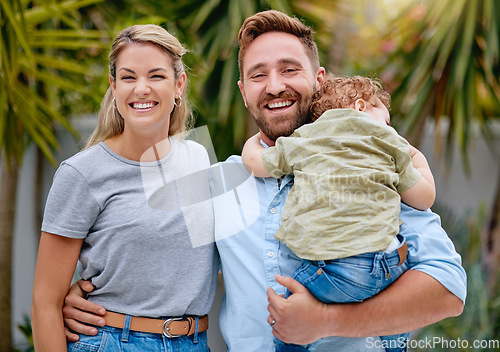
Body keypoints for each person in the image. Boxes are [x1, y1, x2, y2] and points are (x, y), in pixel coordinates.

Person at [61, 10, 466, 352]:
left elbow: (448, 291)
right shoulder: (218, 180)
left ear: (320, 79)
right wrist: (85, 300)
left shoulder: (366, 161)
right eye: (258, 75)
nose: (275, 86)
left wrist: (327, 320)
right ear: (243, 92)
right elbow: (148, 245)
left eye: (290, 69)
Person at [31, 24, 218, 352]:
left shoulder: (199, 157)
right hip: (114, 341)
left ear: (179, 85)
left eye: (156, 76)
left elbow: (200, 262)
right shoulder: (82, 173)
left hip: (194, 342)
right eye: (129, 77)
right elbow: (44, 302)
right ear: (114, 86)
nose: (141, 89)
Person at [241, 73, 436, 351]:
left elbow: (253, 162)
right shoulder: (388, 144)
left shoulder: (305, 139)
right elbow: (425, 197)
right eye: (387, 121)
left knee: (288, 314)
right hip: (386, 266)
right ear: (360, 107)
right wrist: (415, 157)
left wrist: (252, 142)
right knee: (397, 316)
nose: (390, 129)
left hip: (332, 271)